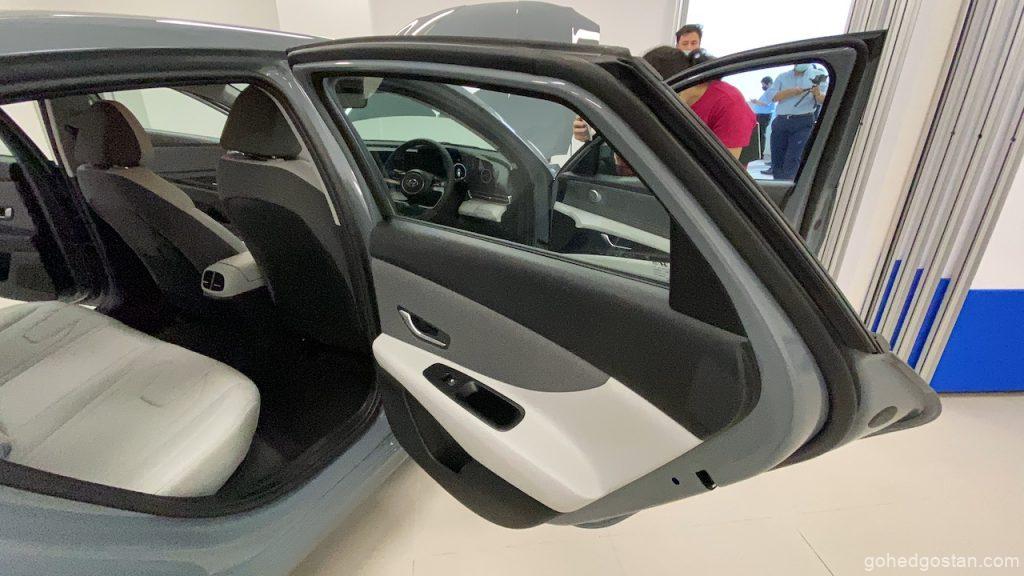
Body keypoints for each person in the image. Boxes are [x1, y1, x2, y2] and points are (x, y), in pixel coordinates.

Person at [763, 63, 827, 180]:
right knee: (777, 158)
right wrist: (791, 92)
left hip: (803, 121)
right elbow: (772, 97)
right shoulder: (783, 76)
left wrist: (817, 94)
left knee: (793, 158)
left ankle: (789, 186)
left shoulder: (818, 75)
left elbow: (824, 100)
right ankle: (778, 185)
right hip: (781, 121)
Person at [748, 75, 775, 158]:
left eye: (764, 84)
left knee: (761, 134)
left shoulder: (771, 92)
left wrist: (755, 101)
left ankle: (760, 154)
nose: (763, 86)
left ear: (769, 83)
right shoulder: (768, 92)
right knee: (758, 133)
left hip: (764, 116)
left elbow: (766, 103)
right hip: (761, 115)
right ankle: (758, 152)